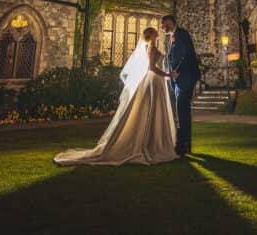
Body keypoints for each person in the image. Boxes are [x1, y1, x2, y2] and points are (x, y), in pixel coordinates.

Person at [53, 27, 177, 166]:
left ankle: (152, 142)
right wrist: (168, 75)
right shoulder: (152, 48)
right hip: (154, 81)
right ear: (152, 35)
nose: (157, 32)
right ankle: (150, 144)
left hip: (155, 81)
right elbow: (151, 68)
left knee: (152, 111)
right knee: (151, 110)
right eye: (155, 31)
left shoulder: (150, 47)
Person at [161, 14, 200, 155]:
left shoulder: (182, 34)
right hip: (177, 80)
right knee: (182, 112)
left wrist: (178, 71)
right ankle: (185, 145)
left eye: (163, 24)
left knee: (182, 111)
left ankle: (181, 146)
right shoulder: (169, 39)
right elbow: (171, 58)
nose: (162, 27)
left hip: (186, 77)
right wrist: (168, 74)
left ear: (170, 23)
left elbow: (186, 54)